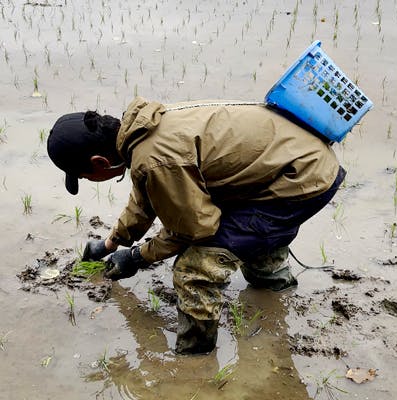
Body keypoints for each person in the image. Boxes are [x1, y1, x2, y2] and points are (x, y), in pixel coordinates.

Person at [47, 97, 345, 355]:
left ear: (100, 162)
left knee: (194, 269)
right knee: (245, 232)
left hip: (302, 179)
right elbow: (144, 195)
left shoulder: (154, 159)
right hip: (293, 162)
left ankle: (195, 356)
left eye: (83, 176)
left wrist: (137, 257)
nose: (88, 181)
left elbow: (193, 231)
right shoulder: (142, 129)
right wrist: (111, 243)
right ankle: (275, 292)